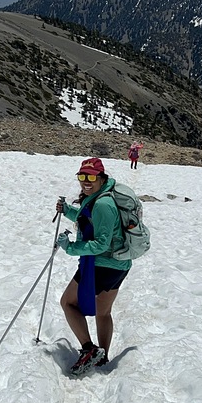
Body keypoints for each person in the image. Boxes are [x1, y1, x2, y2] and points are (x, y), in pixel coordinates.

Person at [55, 157, 132, 375]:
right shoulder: (100, 196)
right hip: (119, 265)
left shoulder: (103, 204)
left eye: (91, 177)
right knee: (103, 311)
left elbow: (100, 244)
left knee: (68, 303)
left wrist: (70, 247)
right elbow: (88, 219)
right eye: (82, 176)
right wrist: (68, 210)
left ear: (101, 177)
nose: (86, 181)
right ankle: (102, 356)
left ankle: (88, 349)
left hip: (102, 264)